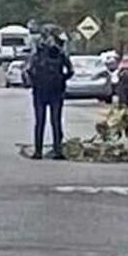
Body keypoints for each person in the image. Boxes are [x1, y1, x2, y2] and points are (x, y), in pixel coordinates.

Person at [24, 25, 73, 160]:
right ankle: (47, 151)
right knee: (48, 121)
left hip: (47, 92)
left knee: (48, 122)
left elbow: (28, 70)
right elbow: (29, 70)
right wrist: (61, 80)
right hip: (47, 92)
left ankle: (49, 151)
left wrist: (60, 80)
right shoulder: (44, 54)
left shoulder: (51, 54)